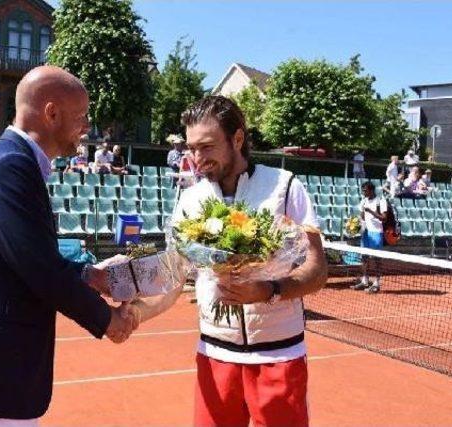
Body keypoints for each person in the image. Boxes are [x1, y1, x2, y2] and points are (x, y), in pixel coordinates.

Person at [0, 66, 137, 425]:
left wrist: (89, 275)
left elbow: (21, 255)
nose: (87, 128)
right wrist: (107, 319)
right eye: (81, 117)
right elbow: (39, 268)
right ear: (51, 113)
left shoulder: (9, 162)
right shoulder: (10, 166)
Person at [129, 96, 328, 427]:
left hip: (278, 355)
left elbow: (317, 270)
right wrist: (133, 310)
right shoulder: (190, 199)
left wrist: (268, 290)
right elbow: (173, 277)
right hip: (215, 354)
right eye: (191, 148)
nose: (196, 158)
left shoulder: (285, 186)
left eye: (206, 147)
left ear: (237, 139)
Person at [352, 181, 387, 294]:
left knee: (377, 258)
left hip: (376, 232)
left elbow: (384, 218)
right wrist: (358, 222)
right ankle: (365, 281)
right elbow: (362, 215)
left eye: (365, 190)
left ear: (371, 190)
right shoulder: (364, 201)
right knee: (364, 257)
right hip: (366, 232)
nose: (363, 192)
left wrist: (370, 211)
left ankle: (376, 283)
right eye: (363, 190)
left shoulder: (381, 201)